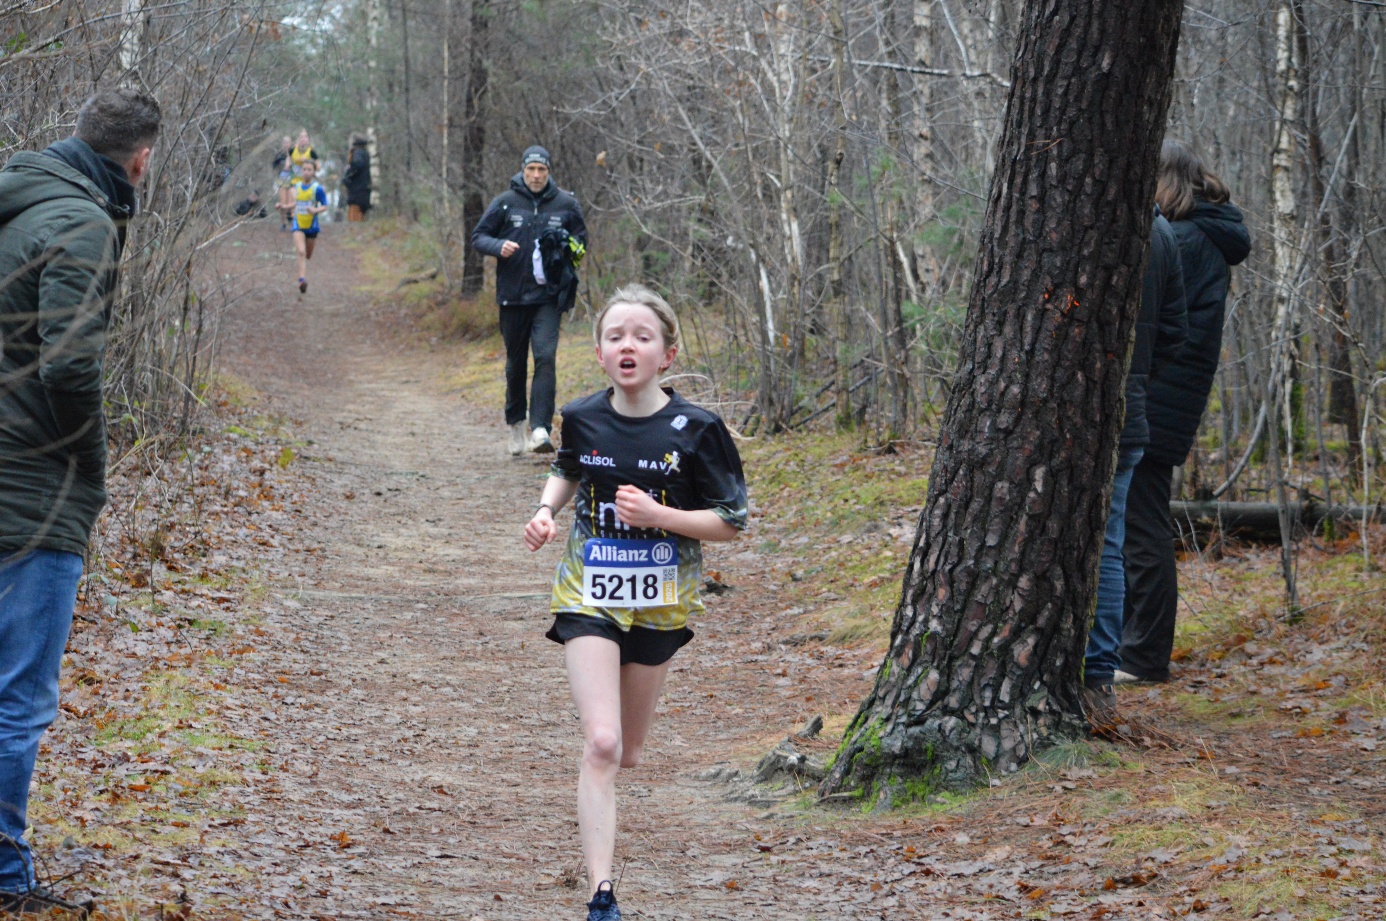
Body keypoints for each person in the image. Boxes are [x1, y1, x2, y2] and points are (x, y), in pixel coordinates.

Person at [523, 285, 747, 921]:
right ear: (599, 353)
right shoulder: (584, 415)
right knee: (600, 741)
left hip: (661, 602)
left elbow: (732, 521)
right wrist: (544, 512)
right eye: (616, 335)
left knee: (629, 751)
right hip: (588, 593)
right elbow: (568, 466)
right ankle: (601, 894)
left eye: (642, 336)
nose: (628, 345)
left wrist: (660, 515)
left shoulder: (699, 429)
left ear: (666, 354)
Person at [0, 87, 161, 914]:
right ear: (139, 159)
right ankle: (3, 869)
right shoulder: (84, 224)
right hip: (31, 487)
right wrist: (88, 469)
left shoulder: (17, 198)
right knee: (19, 694)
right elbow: (67, 368)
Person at [1119, 140, 1252, 684]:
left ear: (1166, 182)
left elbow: (1163, 329)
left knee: (1142, 527)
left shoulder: (1183, 239)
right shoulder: (1204, 236)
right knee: (1139, 522)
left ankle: (1143, 657)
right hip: (1171, 395)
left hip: (1158, 397)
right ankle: (1135, 648)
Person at [1082, 206, 1187, 717]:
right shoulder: (1163, 230)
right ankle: (1096, 678)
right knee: (1110, 543)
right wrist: (1138, 377)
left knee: (1105, 547)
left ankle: (1095, 676)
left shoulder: (1093, 215)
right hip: (1131, 411)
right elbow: (1174, 331)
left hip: (1089, 415)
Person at [471, 145, 587, 456]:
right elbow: (478, 237)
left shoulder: (566, 204)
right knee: (515, 365)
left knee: (546, 357)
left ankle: (540, 429)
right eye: (531, 170)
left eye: (542, 170)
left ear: (549, 172)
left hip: (548, 297)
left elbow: (582, 243)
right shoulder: (506, 203)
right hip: (512, 297)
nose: (536, 176)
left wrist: (566, 249)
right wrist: (498, 246)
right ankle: (516, 425)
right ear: (523, 171)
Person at [289, 159, 328, 294]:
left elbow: (324, 206)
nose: (306, 172)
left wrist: (315, 210)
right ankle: (301, 280)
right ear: (301, 171)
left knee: (308, 255)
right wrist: (283, 207)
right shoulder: (296, 187)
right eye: (304, 169)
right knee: (301, 251)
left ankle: (302, 270)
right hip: (298, 224)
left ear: (313, 172)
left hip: (312, 226)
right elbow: (293, 204)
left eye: (309, 170)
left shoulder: (317, 189)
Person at [342, 136, 371, 222]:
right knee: (361, 213)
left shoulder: (357, 153)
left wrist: (348, 176)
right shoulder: (365, 154)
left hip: (356, 191)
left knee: (354, 215)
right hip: (363, 189)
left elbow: (357, 165)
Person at [272, 135, 293, 230]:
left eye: (288, 142)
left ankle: (291, 217)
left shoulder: (294, 153)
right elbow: (274, 167)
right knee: (282, 202)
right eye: (284, 142)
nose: (286, 144)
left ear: (291, 144)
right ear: (282, 144)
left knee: (291, 202)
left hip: (292, 180)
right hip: (281, 180)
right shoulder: (279, 154)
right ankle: (283, 223)